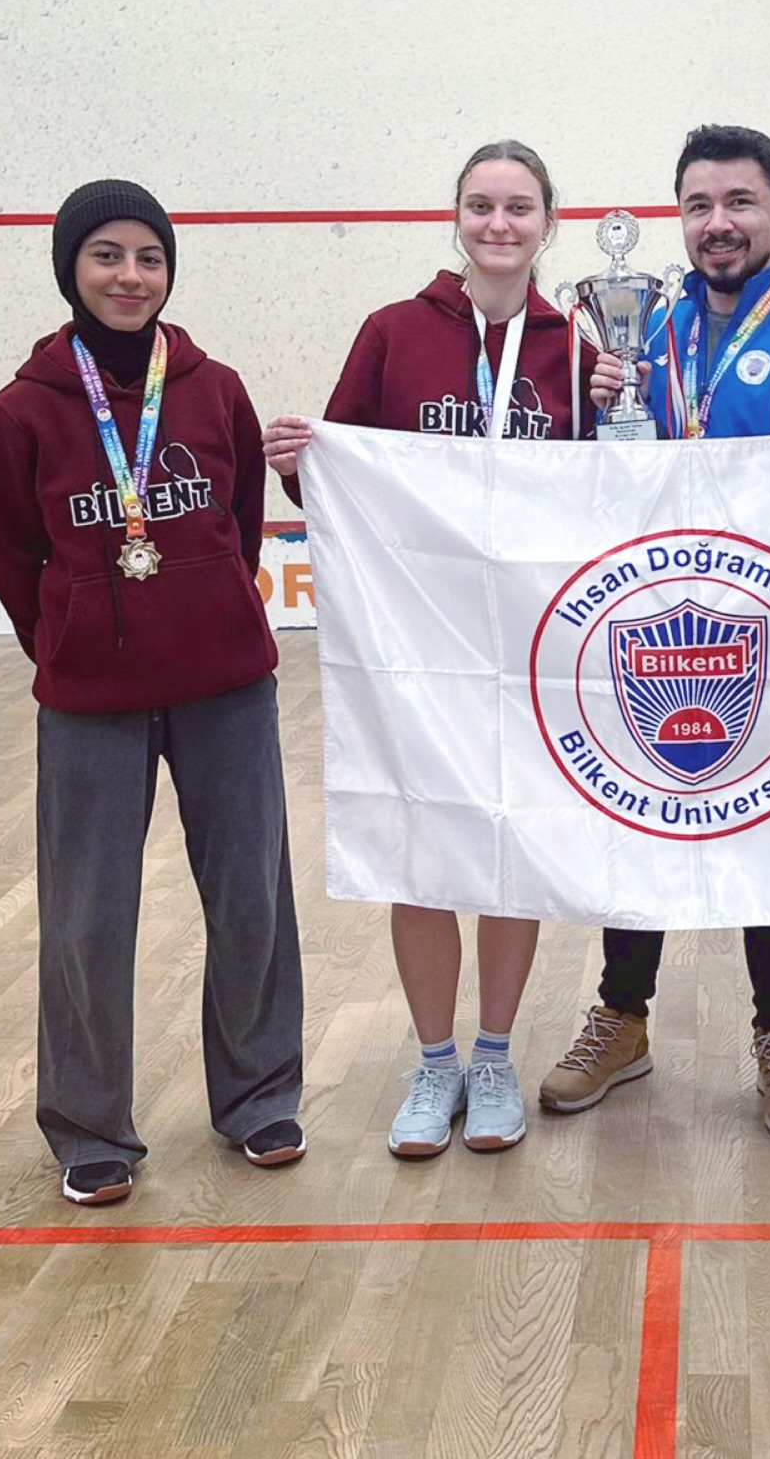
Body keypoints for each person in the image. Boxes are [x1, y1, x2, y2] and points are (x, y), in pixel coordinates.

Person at [264, 140, 593, 1160]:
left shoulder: (579, 347)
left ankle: (494, 1054)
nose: (500, 223)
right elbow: (333, 481)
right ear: (457, 216)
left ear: (548, 221)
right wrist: (295, 458)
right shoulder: (392, 332)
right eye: (482, 205)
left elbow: (608, 495)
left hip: (533, 648)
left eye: (520, 207)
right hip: (413, 646)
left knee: (507, 858)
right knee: (422, 850)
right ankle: (437, 1057)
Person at [539, 123, 770, 1140]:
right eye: (698, 206)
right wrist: (603, 413)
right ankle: (622, 1016)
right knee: (638, 811)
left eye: (737, 203)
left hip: (764, 642)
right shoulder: (651, 328)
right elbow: (606, 484)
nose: (716, 224)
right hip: (648, 624)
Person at [0, 179, 305, 1206]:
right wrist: (76, 636)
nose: (131, 276)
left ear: (170, 270)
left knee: (252, 895)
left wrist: (208, 605)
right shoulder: (23, 409)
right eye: (108, 256)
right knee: (86, 915)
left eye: (150, 258)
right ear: (71, 268)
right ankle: (90, 1127)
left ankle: (259, 1098)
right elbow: (12, 552)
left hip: (226, 684)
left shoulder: (213, 390)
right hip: (90, 700)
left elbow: (242, 517)